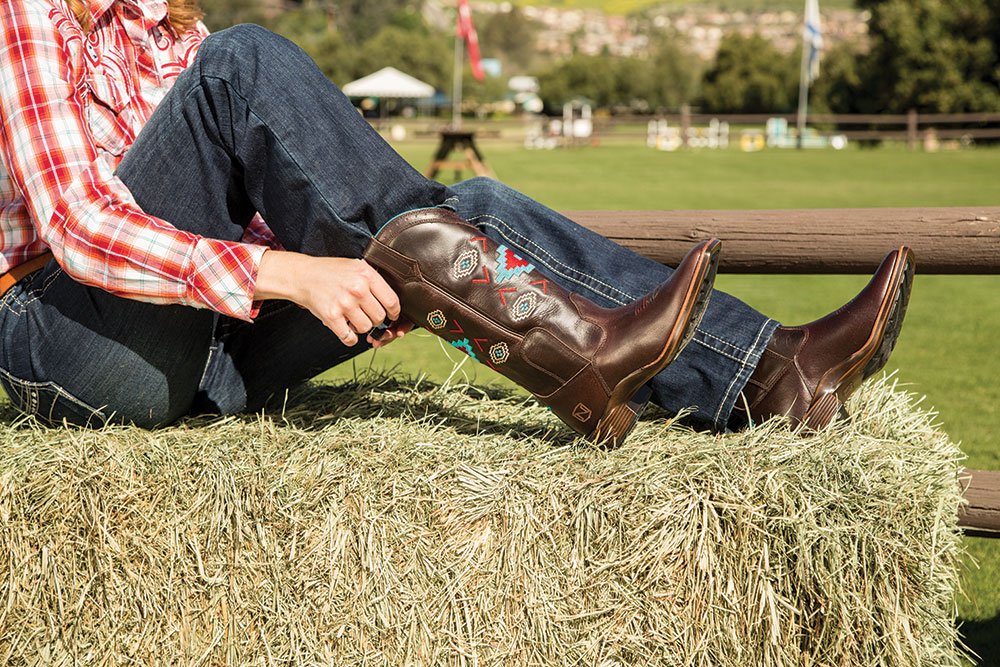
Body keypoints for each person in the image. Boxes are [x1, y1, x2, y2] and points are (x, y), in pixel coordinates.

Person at [0, 1, 913, 444]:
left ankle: (771, 374)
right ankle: (569, 349)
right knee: (242, 66)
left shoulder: (172, 32)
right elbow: (80, 225)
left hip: (204, 347)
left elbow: (230, 212)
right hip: (67, 335)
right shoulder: (30, 8)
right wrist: (295, 274)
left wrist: (358, 267)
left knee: (463, 215)